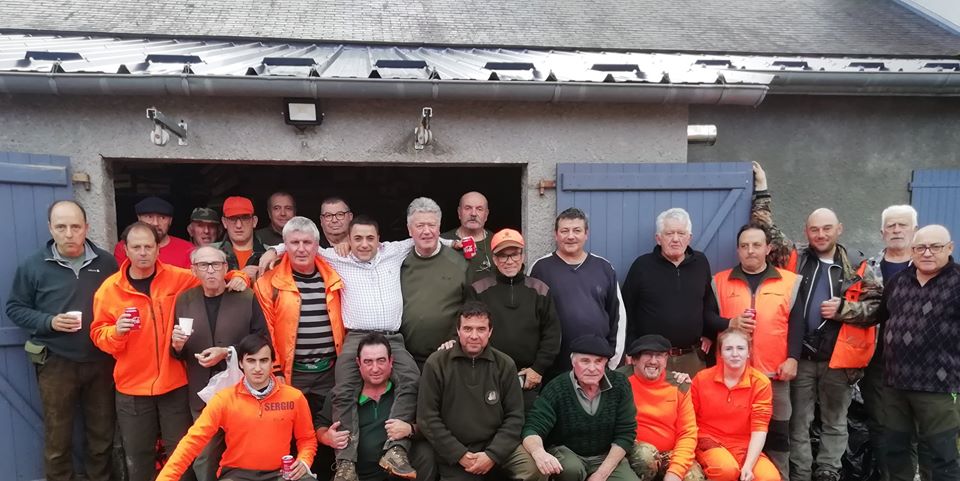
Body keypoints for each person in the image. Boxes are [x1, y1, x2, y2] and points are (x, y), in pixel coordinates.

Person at [91, 221, 247, 481]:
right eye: (136, 247)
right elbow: (98, 335)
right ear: (125, 250)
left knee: (182, 454)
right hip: (131, 388)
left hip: (174, 384)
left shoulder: (179, 277)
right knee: (138, 457)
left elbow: (215, 274)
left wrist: (241, 276)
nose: (143, 252)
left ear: (157, 249)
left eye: (148, 246)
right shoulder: (110, 289)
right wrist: (116, 332)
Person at [5, 200, 118, 481]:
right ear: (50, 228)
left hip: (101, 361)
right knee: (58, 438)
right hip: (56, 362)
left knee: (102, 435)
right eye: (61, 227)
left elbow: (119, 301)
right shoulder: (33, 266)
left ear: (86, 228)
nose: (69, 234)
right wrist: (49, 322)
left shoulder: (106, 263)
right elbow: (15, 308)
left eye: (75, 227)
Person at [788, 208, 880, 481]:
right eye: (814, 229)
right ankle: (801, 473)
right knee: (798, 422)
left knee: (835, 421)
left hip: (839, 359)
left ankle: (828, 472)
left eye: (827, 228)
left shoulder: (857, 265)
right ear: (806, 232)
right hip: (801, 358)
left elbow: (878, 308)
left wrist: (843, 309)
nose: (821, 234)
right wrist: (761, 191)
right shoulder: (795, 258)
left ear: (839, 229)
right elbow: (765, 234)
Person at [156, 333, 318, 481]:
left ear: (272, 363)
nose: (257, 368)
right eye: (251, 361)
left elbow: (307, 439)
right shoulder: (224, 399)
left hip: (280, 473)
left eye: (263, 360)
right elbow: (192, 441)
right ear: (241, 363)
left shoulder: (294, 397)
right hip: (236, 474)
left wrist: (304, 460)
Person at [712, 223, 803, 480]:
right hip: (731, 378)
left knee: (777, 436)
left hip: (774, 374)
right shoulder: (719, 281)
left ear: (768, 248)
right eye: (744, 246)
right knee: (732, 436)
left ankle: (779, 477)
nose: (750, 250)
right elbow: (706, 319)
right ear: (738, 250)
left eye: (756, 245)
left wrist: (793, 358)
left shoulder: (789, 281)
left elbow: (797, 324)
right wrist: (730, 322)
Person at [171, 246, 269, 481]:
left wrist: (227, 352)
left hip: (242, 388)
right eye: (203, 265)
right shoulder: (185, 300)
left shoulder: (245, 297)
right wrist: (177, 346)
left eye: (216, 264)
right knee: (204, 456)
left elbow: (262, 340)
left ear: (226, 268)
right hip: (201, 389)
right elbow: (178, 353)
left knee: (247, 450)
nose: (210, 270)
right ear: (193, 270)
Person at [876, 225, 960, 481]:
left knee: (941, 455)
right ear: (912, 250)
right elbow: (882, 317)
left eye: (935, 247)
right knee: (895, 451)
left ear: (950, 248)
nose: (927, 253)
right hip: (895, 384)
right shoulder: (898, 281)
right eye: (920, 247)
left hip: (939, 387)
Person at [417, 301, 524, 480]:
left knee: (532, 468)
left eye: (481, 329)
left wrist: (492, 454)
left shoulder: (505, 364)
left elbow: (515, 416)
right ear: (458, 331)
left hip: (498, 448)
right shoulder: (436, 364)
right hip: (455, 453)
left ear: (490, 332)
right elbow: (427, 417)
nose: (474, 336)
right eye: (467, 329)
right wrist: (459, 454)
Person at [513, 335, 639, 481]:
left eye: (598, 361)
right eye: (585, 361)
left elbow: (626, 433)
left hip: (605, 456)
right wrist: (539, 453)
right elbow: (533, 427)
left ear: (605, 363)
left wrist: (601, 474)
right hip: (568, 453)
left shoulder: (620, 384)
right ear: (573, 362)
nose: (592, 368)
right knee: (572, 469)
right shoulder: (557, 387)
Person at [317, 333, 437, 481]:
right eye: (368, 362)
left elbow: (431, 426)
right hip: (359, 475)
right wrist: (326, 437)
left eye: (381, 360)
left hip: (400, 473)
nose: (375, 369)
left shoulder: (407, 394)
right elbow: (320, 424)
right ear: (358, 363)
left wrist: (410, 429)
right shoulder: (343, 395)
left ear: (391, 361)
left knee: (426, 452)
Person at [621, 208, 723, 377]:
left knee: (692, 395)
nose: (675, 239)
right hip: (652, 360)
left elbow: (708, 303)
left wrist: (709, 334)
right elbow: (627, 311)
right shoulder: (642, 266)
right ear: (658, 238)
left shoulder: (701, 263)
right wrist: (630, 349)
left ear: (689, 238)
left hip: (692, 358)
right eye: (669, 233)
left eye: (681, 233)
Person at [466, 228, 561, 409]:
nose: (509, 261)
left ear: (523, 256)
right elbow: (471, 333)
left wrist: (538, 368)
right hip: (488, 375)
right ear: (494, 259)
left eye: (515, 254)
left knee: (526, 423)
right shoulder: (478, 290)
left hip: (528, 378)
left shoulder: (540, 290)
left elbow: (552, 333)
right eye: (503, 256)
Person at [858, 205, 920, 480]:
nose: (896, 230)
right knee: (882, 425)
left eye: (902, 225)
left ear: (914, 230)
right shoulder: (868, 268)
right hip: (877, 361)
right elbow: (858, 309)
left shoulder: (928, 267)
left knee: (914, 427)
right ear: (882, 232)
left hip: (918, 363)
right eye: (891, 226)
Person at [529, 207, 625, 376]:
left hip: (596, 365)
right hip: (553, 366)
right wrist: (537, 365)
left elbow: (618, 317)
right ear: (556, 234)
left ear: (586, 234)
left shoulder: (604, 268)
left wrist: (612, 361)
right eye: (564, 231)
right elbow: (530, 318)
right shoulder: (540, 268)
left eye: (577, 230)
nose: (571, 236)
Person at [691, 328, 778, 481]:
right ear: (720, 353)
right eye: (728, 349)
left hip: (743, 445)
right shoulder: (702, 378)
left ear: (749, 352)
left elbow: (760, 428)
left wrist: (748, 466)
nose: (735, 354)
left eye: (740, 348)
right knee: (726, 470)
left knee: (769, 477)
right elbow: (689, 419)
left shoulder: (760, 383)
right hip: (709, 440)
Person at [399, 198, 468, 369]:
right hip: (407, 359)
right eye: (420, 226)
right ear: (409, 230)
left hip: (449, 356)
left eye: (432, 225)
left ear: (439, 228)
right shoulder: (398, 264)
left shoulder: (460, 264)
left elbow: (471, 307)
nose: (427, 231)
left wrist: (456, 340)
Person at [624, 335, 703, 481]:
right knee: (645, 456)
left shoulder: (679, 385)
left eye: (659, 355)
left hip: (670, 453)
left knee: (693, 477)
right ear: (634, 360)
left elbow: (687, 433)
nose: (653, 361)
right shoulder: (620, 381)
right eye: (647, 354)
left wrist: (675, 472)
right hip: (636, 453)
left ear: (666, 359)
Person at [115, 196, 194, 268]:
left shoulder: (188, 249)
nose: (155, 223)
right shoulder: (125, 247)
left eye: (162, 217)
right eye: (149, 217)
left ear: (170, 221)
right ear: (139, 218)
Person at [441, 191, 493, 283]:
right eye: (468, 208)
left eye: (479, 209)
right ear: (459, 212)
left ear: (486, 214)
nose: (473, 213)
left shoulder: (498, 243)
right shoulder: (441, 241)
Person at [212, 196, 269, 279]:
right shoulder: (209, 252)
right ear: (224, 222)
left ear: (254, 221)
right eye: (232, 218)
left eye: (245, 218)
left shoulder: (269, 253)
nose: (238, 225)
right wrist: (240, 275)